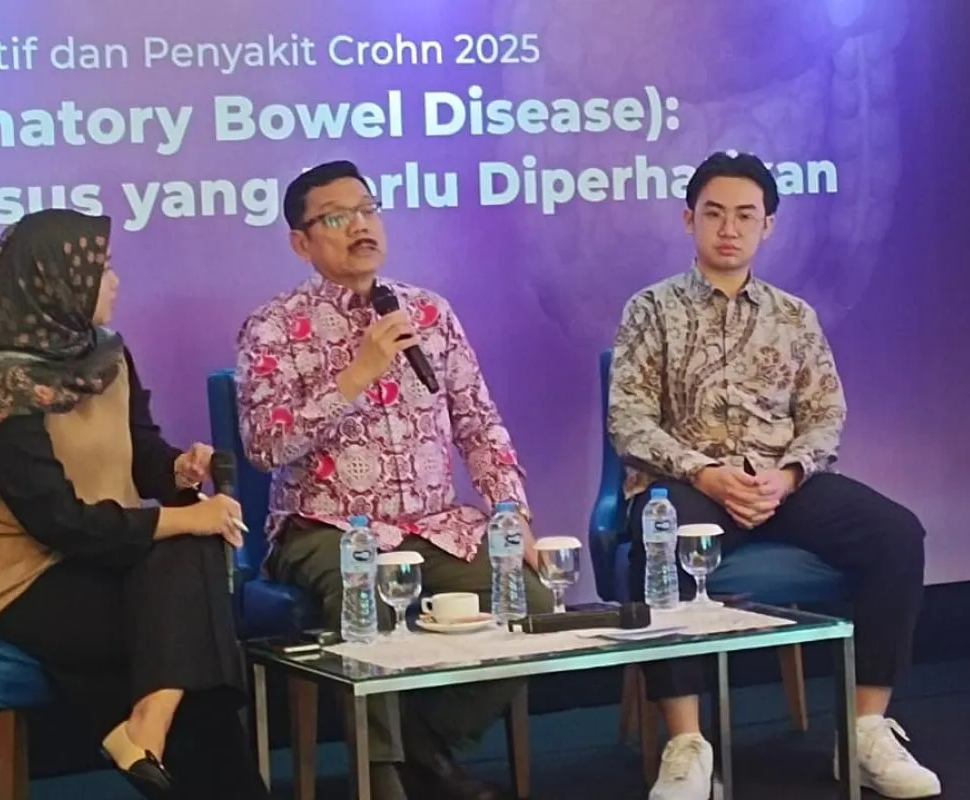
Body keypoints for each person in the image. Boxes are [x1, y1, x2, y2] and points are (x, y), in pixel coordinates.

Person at [608, 151, 940, 800]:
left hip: (782, 484)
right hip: (692, 484)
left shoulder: (794, 316)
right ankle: (686, 746)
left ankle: (865, 732)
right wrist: (706, 473)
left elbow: (825, 414)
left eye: (745, 215)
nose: (729, 228)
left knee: (897, 535)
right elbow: (630, 421)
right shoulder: (651, 309)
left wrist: (788, 475)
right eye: (714, 214)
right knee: (661, 537)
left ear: (768, 226)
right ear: (688, 219)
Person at [0, 209, 269, 800]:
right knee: (178, 629)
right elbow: (58, 522)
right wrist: (185, 516)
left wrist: (177, 470)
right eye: (102, 269)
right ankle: (155, 728)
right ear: (56, 282)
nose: (115, 281)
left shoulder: (106, 356)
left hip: (99, 552)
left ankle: (146, 728)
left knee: (188, 568)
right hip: (9, 576)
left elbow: (142, 452)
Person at [235, 160, 553, 800]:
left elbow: (479, 424)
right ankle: (381, 778)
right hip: (326, 526)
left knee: (532, 603)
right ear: (301, 242)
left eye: (367, 210)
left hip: (434, 526)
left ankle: (426, 745)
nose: (360, 226)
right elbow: (265, 446)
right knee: (366, 591)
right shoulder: (272, 327)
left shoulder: (428, 313)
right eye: (336, 217)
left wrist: (510, 513)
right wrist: (356, 375)